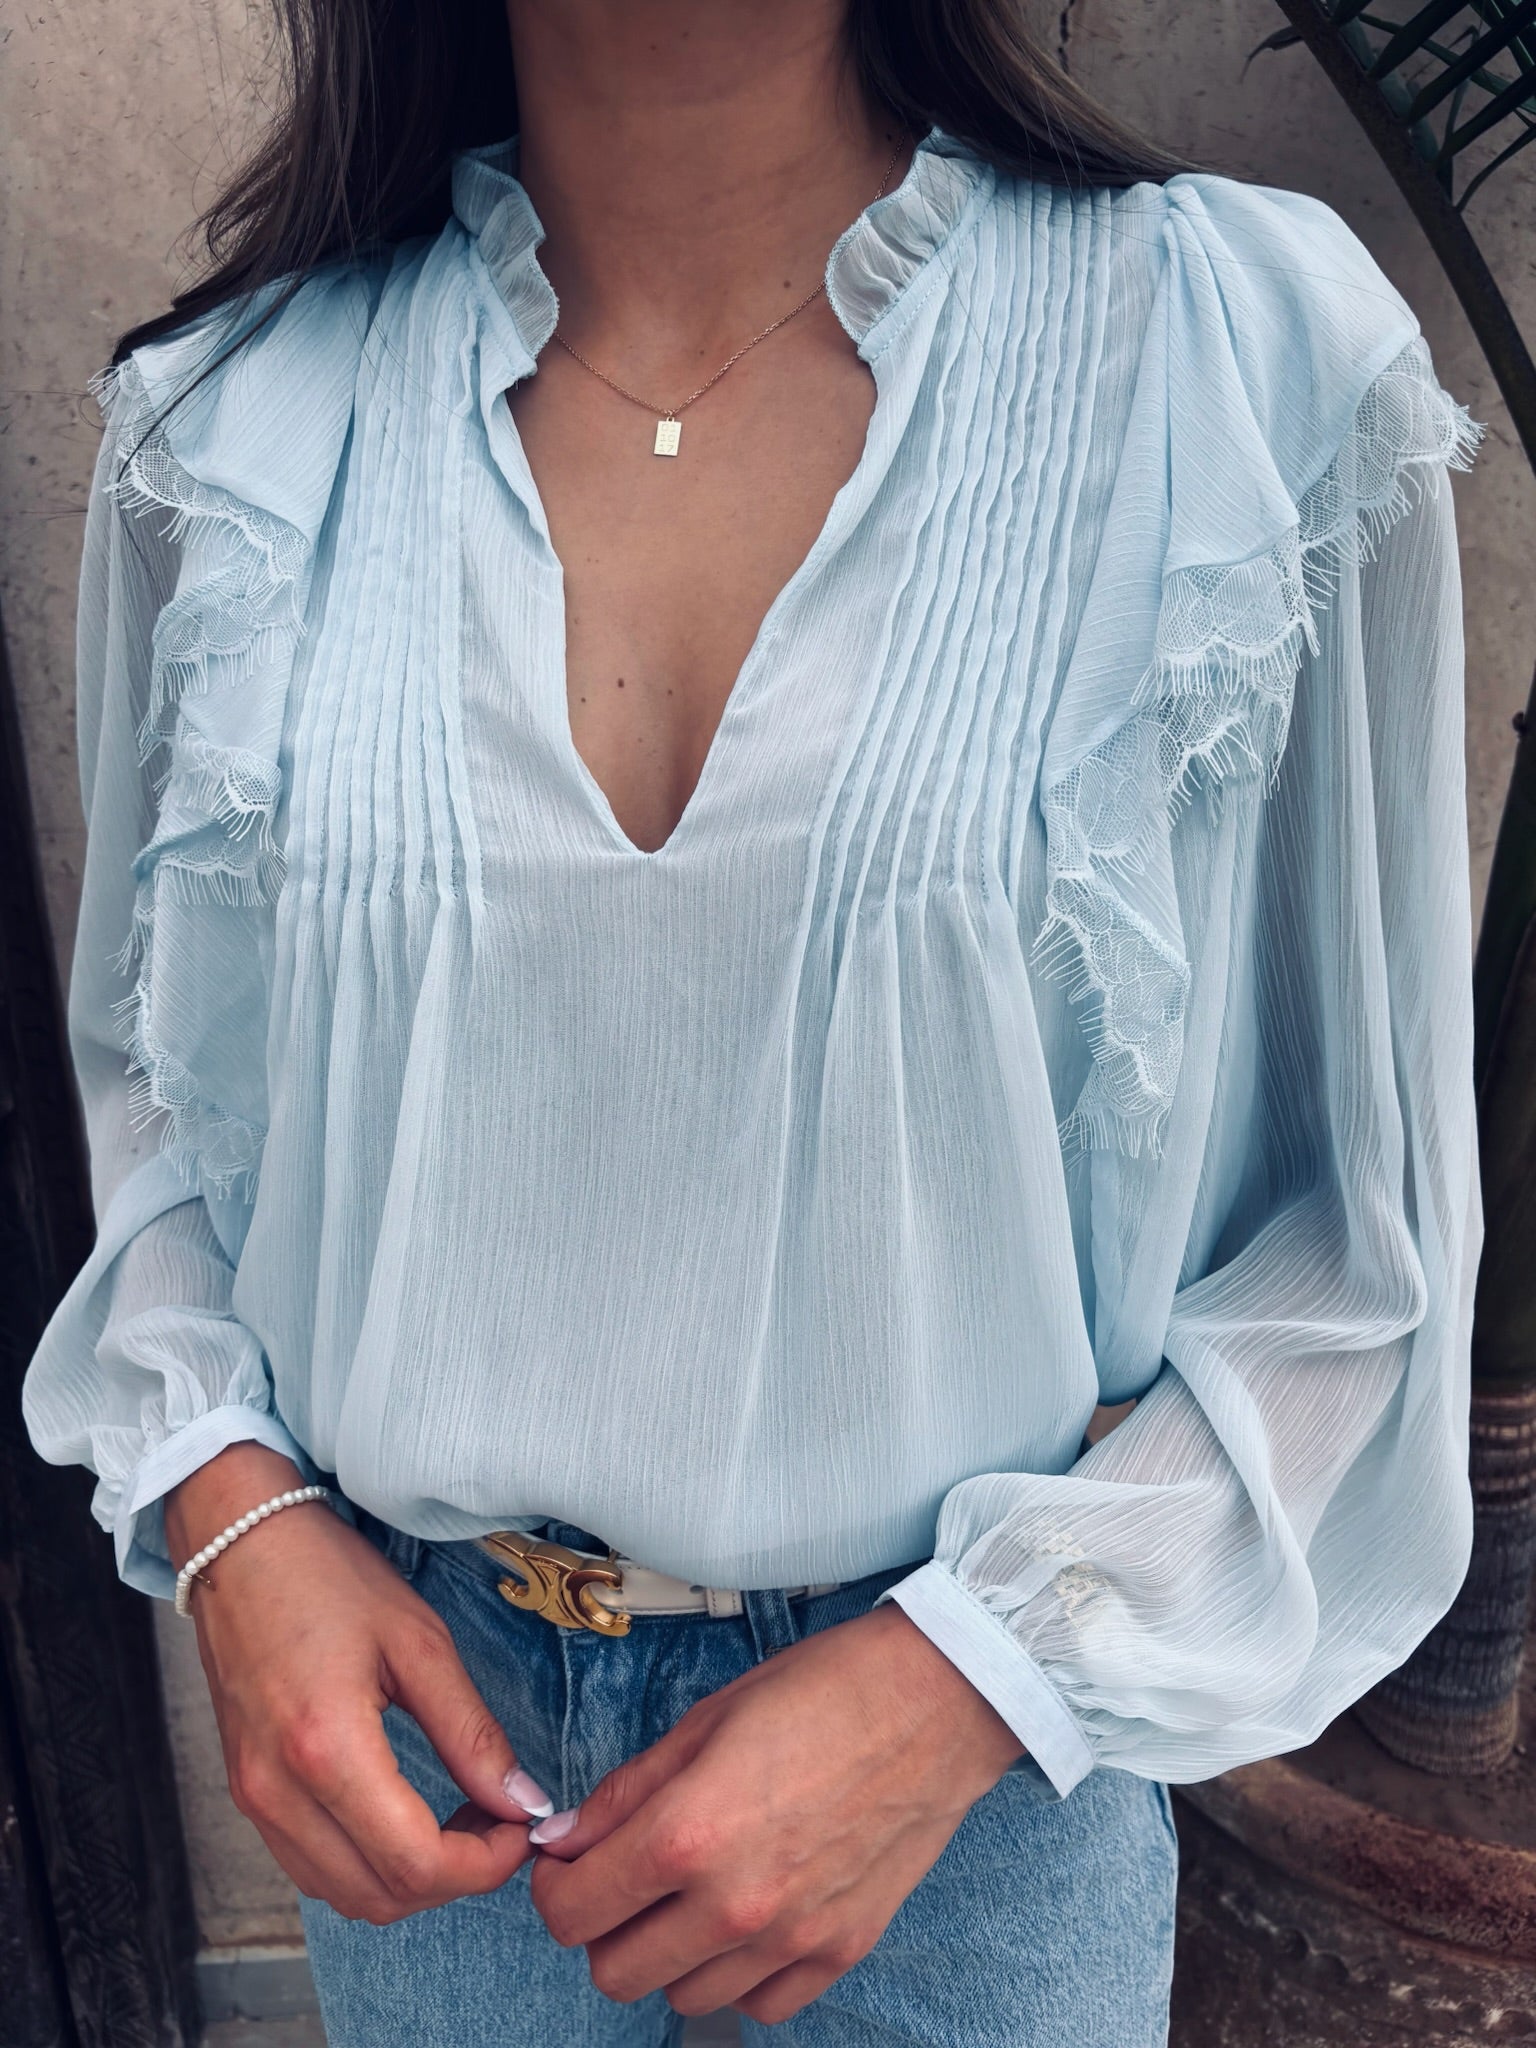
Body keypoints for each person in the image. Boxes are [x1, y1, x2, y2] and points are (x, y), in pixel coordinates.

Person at [24, 2, 1485, 2042]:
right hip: (433, 1769)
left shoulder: (1236, 366)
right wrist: (231, 1511)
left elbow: (1363, 1247)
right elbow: (167, 1112)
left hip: (974, 1788)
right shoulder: (237, 429)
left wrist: (969, 1674)